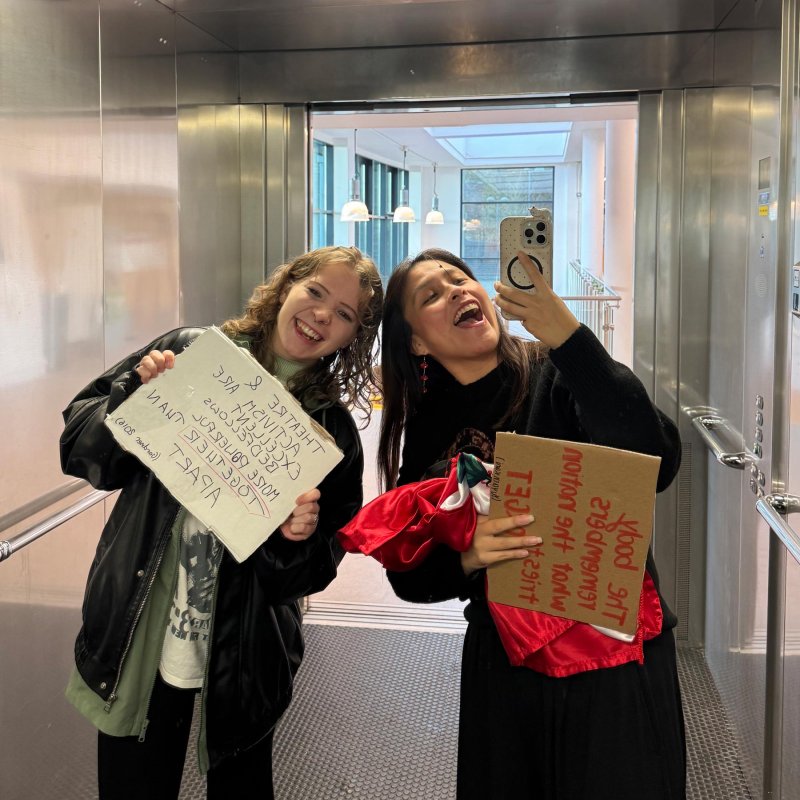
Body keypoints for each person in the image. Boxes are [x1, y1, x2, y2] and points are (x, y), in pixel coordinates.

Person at [60, 245, 383, 800]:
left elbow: (306, 576)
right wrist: (135, 394)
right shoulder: (190, 353)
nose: (323, 314)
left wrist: (293, 539)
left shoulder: (329, 434)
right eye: (316, 292)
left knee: (240, 785)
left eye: (347, 314)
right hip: (138, 633)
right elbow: (79, 449)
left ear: (354, 336)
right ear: (286, 288)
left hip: (244, 659)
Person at [377, 247, 685, 800]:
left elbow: (656, 460)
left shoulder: (558, 373)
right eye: (432, 294)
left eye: (460, 279)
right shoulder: (427, 432)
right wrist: (470, 557)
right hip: (508, 661)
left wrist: (569, 337)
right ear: (416, 340)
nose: (457, 291)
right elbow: (408, 572)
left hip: (613, 645)